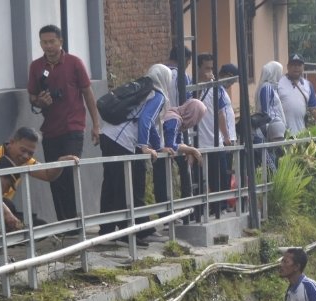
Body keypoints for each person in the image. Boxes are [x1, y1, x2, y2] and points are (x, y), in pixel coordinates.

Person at [27, 24, 101, 222]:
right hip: (50, 130)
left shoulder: (74, 63)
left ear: (61, 42)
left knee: (67, 171)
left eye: (52, 42)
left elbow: (87, 93)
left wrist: (95, 124)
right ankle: (63, 223)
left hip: (73, 127)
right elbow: (32, 96)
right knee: (54, 177)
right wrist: (39, 101)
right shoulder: (36, 67)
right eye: (44, 42)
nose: (48, 46)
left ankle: (74, 221)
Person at [98, 64, 172, 241]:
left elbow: (150, 125)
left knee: (110, 183)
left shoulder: (142, 91)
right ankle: (127, 232)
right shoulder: (157, 95)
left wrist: (158, 146)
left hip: (107, 134)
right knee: (126, 185)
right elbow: (145, 121)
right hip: (122, 140)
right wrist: (144, 145)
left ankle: (107, 230)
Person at [0, 126, 78, 221]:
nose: (26, 156)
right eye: (23, 150)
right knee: (9, 206)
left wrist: (60, 163)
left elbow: (47, 174)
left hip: (0, 209)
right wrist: (8, 214)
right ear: (12, 142)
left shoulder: (25, 160)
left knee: (39, 226)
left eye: (30, 153)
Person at [153, 47, 194, 212]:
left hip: (156, 127)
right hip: (175, 124)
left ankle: (164, 211)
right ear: (185, 60)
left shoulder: (157, 73)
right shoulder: (182, 77)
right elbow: (188, 103)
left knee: (160, 170)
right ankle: (186, 210)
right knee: (184, 165)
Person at [195, 55, 236, 216]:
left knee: (218, 177)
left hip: (215, 141)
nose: (210, 72)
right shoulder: (192, 86)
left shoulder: (216, 88)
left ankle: (219, 207)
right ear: (198, 68)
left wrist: (226, 138)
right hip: (198, 143)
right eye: (206, 68)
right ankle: (197, 211)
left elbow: (221, 114)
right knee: (198, 180)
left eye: (212, 68)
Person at [255, 61, 286, 173]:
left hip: (274, 128)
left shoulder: (271, 87)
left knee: (275, 158)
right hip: (272, 128)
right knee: (271, 160)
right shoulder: (267, 87)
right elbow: (266, 111)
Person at [278, 54, 316, 136]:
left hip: (301, 134)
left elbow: (314, 110)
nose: (296, 67)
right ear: (288, 67)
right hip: (283, 136)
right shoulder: (279, 83)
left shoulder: (308, 85)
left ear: (303, 67)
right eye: (293, 65)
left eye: (299, 65)